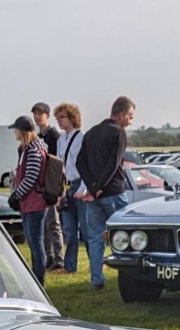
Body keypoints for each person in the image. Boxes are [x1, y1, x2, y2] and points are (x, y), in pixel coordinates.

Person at [77, 95, 135, 290]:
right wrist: (100, 186)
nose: (131, 121)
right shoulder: (118, 133)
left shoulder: (91, 133)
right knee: (126, 236)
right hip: (114, 192)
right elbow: (114, 163)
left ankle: (97, 279)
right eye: (130, 116)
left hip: (95, 196)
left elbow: (79, 162)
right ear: (121, 115)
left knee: (94, 238)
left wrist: (92, 188)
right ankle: (129, 276)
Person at [7, 115, 50, 285]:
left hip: (34, 203)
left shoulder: (33, 149)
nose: (14, 132)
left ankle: (39, 280)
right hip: (28, 203)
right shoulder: (29, 148)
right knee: (33, 243)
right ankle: (36, 277)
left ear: (22, 130)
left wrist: (16, 194)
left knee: (36, 244)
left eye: (15, 129)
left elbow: (31, 177)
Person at [32, 102, 65, 271]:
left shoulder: (54, 136)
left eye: (40, 113)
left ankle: (59, 259)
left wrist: (58, 189)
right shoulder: (38, 136)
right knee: (44, 224)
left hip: (51, 185)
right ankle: (49, 257)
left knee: (53, 223)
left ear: (47, 115)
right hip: (40, 186)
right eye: (35, 114)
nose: (37, 117)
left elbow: (58, 164)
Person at [54, 103, 86, 274]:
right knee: (69, 230)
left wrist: (84, 188)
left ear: (72, 118)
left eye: (62, 117)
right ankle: (70, 266)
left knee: (87, 230)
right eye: (57, 118)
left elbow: (86, 166)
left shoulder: (82, 137)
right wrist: (61, 191)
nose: (59, 121)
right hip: (69, 186)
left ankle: (95, 264)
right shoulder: (60, 140)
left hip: (81, 184)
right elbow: (61, 167)